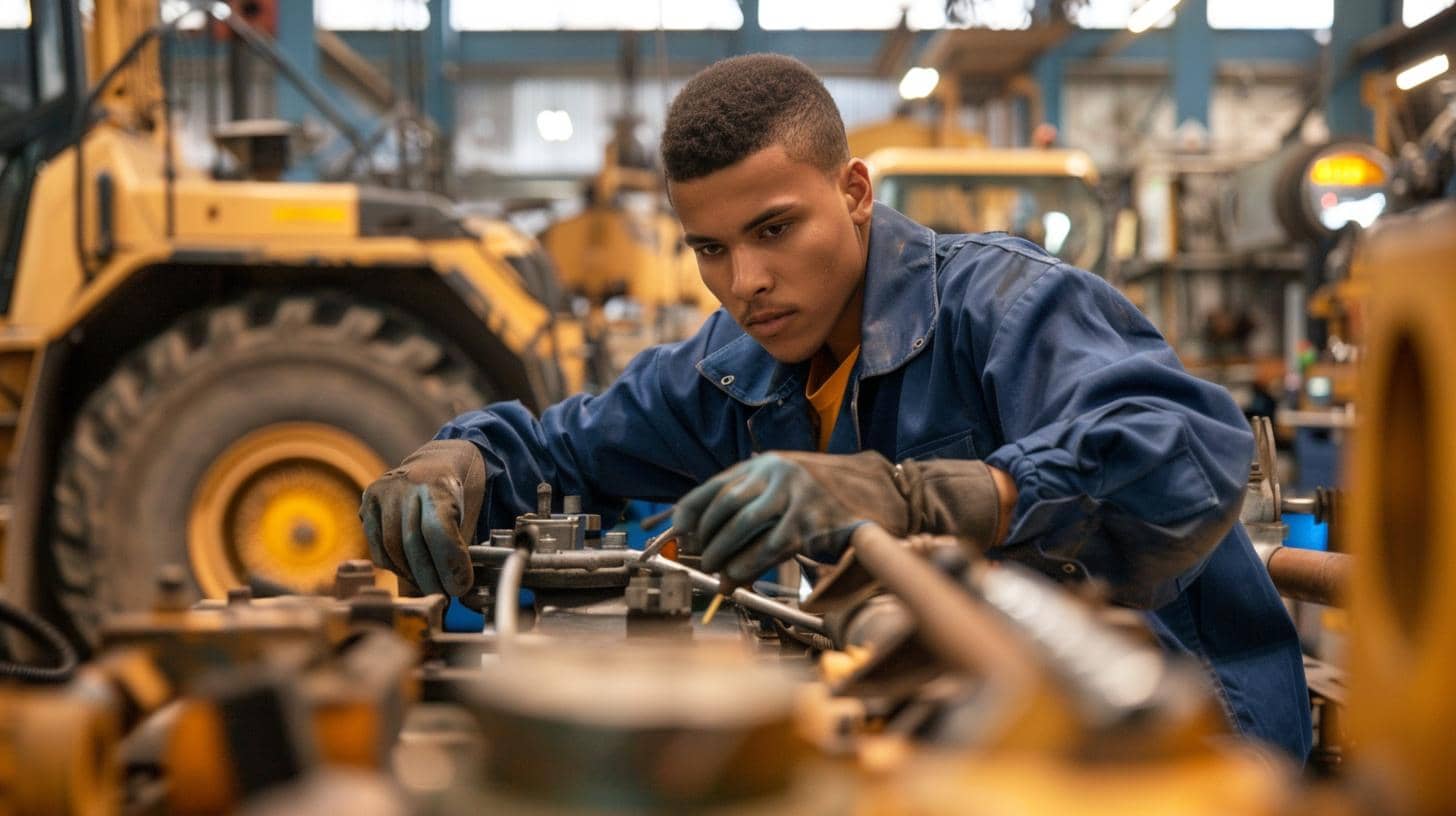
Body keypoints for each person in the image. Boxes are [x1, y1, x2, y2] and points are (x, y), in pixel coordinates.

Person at [359, 54, 1310, 760]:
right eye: (711, 249)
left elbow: (1183, 454)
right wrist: (458, 463)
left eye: (774, 229)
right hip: (962, 727)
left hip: (1171, 738)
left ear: (854, 192)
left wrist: (926, 497)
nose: (745, 282)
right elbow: (559, 452)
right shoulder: (730, 373)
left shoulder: (1006, 308)